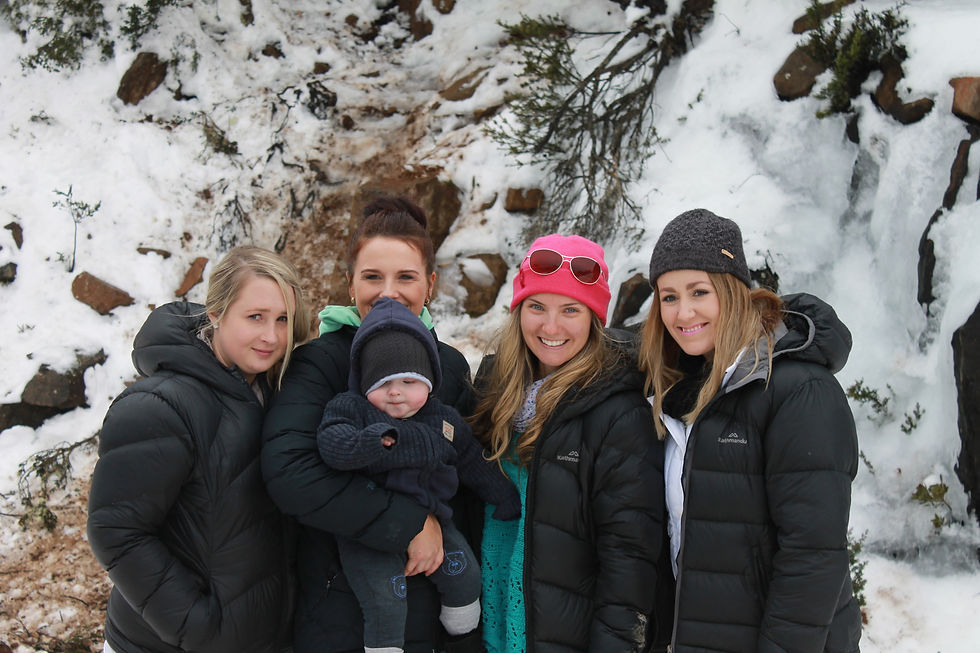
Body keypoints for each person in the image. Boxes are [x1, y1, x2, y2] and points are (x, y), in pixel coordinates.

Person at [261, 196, 483, 653]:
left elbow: (462, 478)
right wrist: (409, 523)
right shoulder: (321, 361)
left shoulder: (448, 366)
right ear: (350, 284)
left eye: (406, 277)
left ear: (430, 284)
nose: (388, 292)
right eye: (372, 277)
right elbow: (291, 473)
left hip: (435, 609)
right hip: (344, 614)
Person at [638, 208, 863, 653]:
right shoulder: (682, 389)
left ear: (732, 291)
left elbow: (813, 559)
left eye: (699, 292)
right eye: (669, 297)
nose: (683, 312)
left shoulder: (799, 390)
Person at [86, 245, 311, 653]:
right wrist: (197, 627)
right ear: (216, 313)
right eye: (255, 317)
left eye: (283, 319)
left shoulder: (278, 393)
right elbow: (116, 531)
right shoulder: (159, 407)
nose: (272, 336)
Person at [469, 234, 672, 653]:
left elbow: (628, 562)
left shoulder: (619, 412)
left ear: (594, 318)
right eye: (537, 307)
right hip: (485, 622)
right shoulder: (492, 388)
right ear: (518, 310)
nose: (551, 327)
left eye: (570, 310)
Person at [316, 296, 521, 653]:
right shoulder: (352, 409)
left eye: (409, 381)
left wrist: (504, 496)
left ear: (429, 381)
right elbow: (332, 442)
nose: (396, 392)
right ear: (363, 384)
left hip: (433, 517)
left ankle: (462, 631)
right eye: (382, 383)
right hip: (369, 530)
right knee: (386, 600)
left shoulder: (443, 419)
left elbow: (472, 462)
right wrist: (374, 442)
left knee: (465, 575)